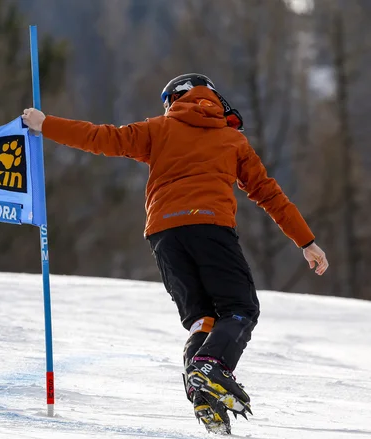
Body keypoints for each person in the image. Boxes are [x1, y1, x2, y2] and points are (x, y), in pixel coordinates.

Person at [22, 73, 328, 435]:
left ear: (174, 99)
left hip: (164, 234)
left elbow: (101, 137)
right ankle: (209, 366)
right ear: (213, 97)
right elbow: (269, 194)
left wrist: (46, 125)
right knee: (240, 309)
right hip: (210, 228)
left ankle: (202, 391)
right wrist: (306, 241)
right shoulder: (232, 139)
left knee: (202, 318)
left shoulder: (158, 129)